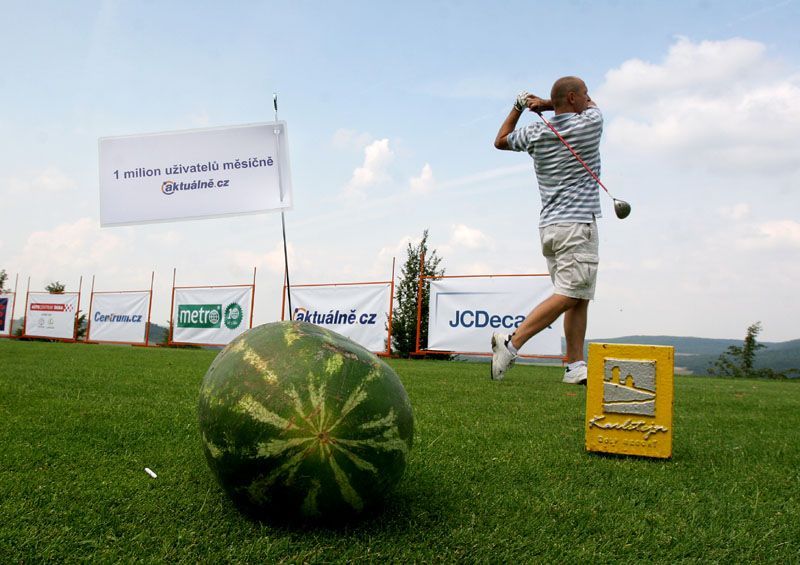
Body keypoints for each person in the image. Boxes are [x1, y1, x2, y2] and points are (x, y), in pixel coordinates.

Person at [491, 76, 603, 384]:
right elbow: (591, 108)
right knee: (569, 292)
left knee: (579, 296)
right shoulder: (590, 123)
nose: (588, 98)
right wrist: (547, 103)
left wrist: (519, 106)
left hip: (550, 227)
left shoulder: (536, 132)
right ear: (572, 98)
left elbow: (501, 140)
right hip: (578, 224)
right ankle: (511, 344)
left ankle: (575, 365)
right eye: (584, 94)